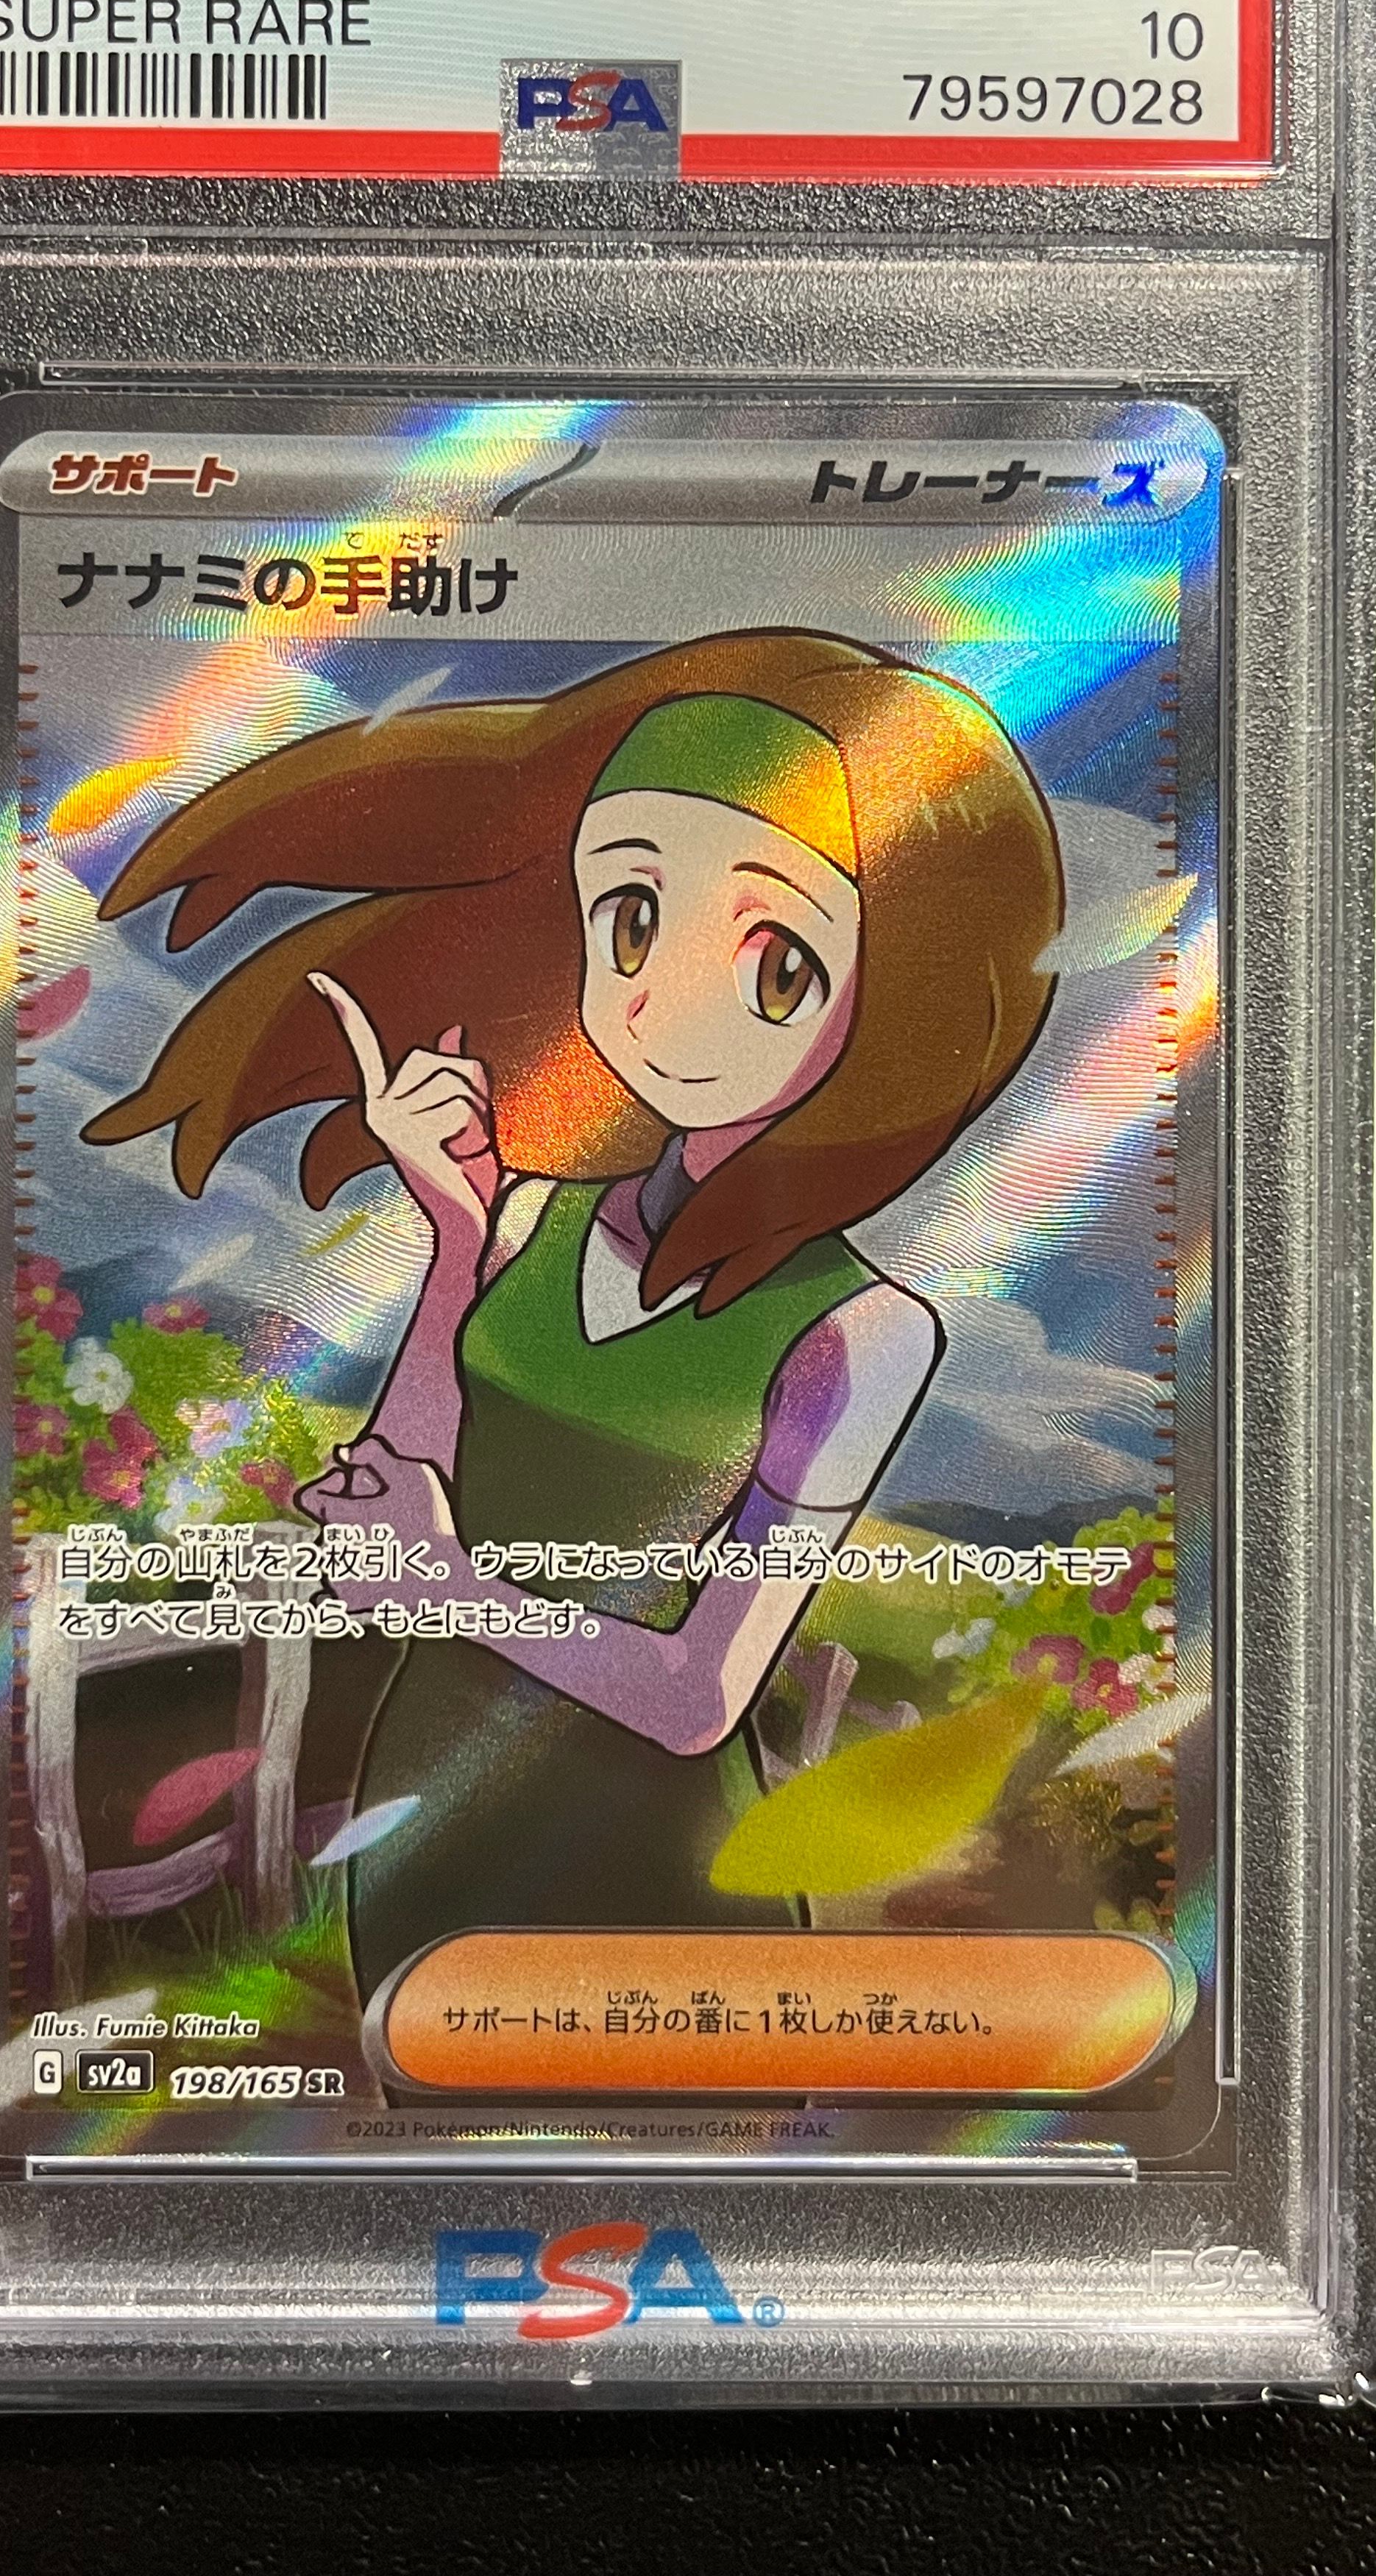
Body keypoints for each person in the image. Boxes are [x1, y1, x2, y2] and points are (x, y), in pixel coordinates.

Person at [85, 631, 1063, 1995]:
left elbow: (701, 1696)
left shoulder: (860, 1335)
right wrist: (453, 1241)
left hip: (653, 1870)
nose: (661, 1000)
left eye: (778, 961)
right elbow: (409, 1487)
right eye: (633, 920)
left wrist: (447, 1584)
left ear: (900, 998)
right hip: (430, 1824)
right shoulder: (527, 1219)